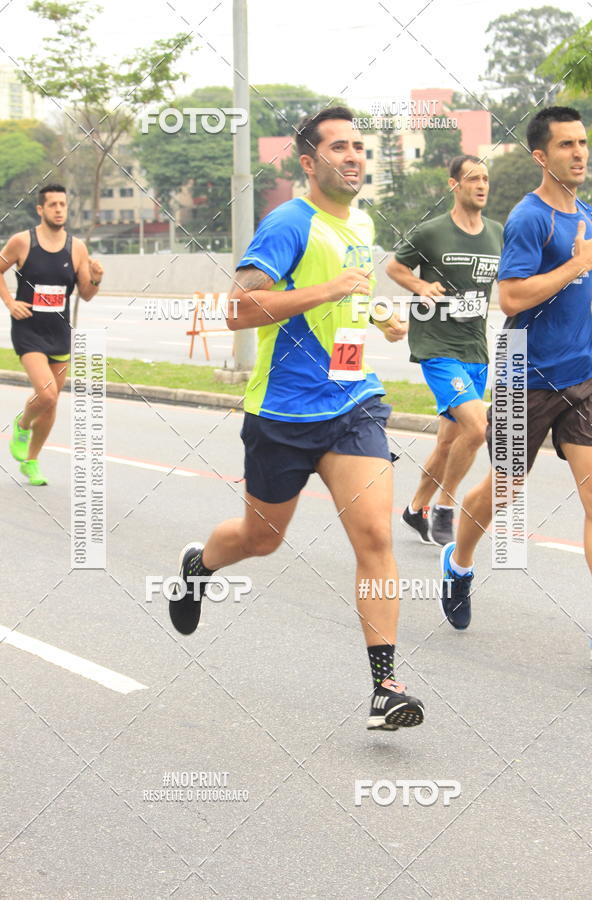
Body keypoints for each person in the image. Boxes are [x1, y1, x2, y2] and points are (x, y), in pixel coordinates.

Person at [168, 106, 424, 731]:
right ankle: (199, 566)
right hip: (282, 412)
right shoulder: (287, 223)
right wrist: (327, 291)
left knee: (375, 538)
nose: (355, 156)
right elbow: (238, 310)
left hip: (352, 401)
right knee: (263, 540)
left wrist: (376, 318)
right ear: (309, 162)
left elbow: (347, 302)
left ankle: (385, 686)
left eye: (360, 146)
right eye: (340, 147)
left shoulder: (360, 221)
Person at [439, 107, 592, 659]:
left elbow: (587, 287)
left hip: (584, 373)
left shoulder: (590, 216)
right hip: (522, 372)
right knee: (504, 491)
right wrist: (578, 267)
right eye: (566, 146)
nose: (579, 153)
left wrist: (588, 275)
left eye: (582, 143)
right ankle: (459, 563)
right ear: (541, 155)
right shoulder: (529, 218)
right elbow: (509, 298)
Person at [386, 156, 503, 546]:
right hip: (437, 348)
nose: (481, 185)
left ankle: (415, 508)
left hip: (475, 349)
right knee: (478, 427)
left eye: (485, 178)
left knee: (448, 443)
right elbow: (395, 268)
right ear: (454, 185)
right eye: (473, 178)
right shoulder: (432, 233)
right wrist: (420, 287)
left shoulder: (497, 234)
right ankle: (444, 507)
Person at [0, 184, 103, 485]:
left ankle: (31, 460)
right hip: (28, 329)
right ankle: (22, 423)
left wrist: (96, 278)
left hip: (59, 332)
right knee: (46, 393)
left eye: (63, 204)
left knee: (52, 400)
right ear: (41, 210)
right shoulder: (22, 242)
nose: (59, 209)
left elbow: (85, 294)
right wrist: (10, 302)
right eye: (53, 204)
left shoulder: (77, 248)